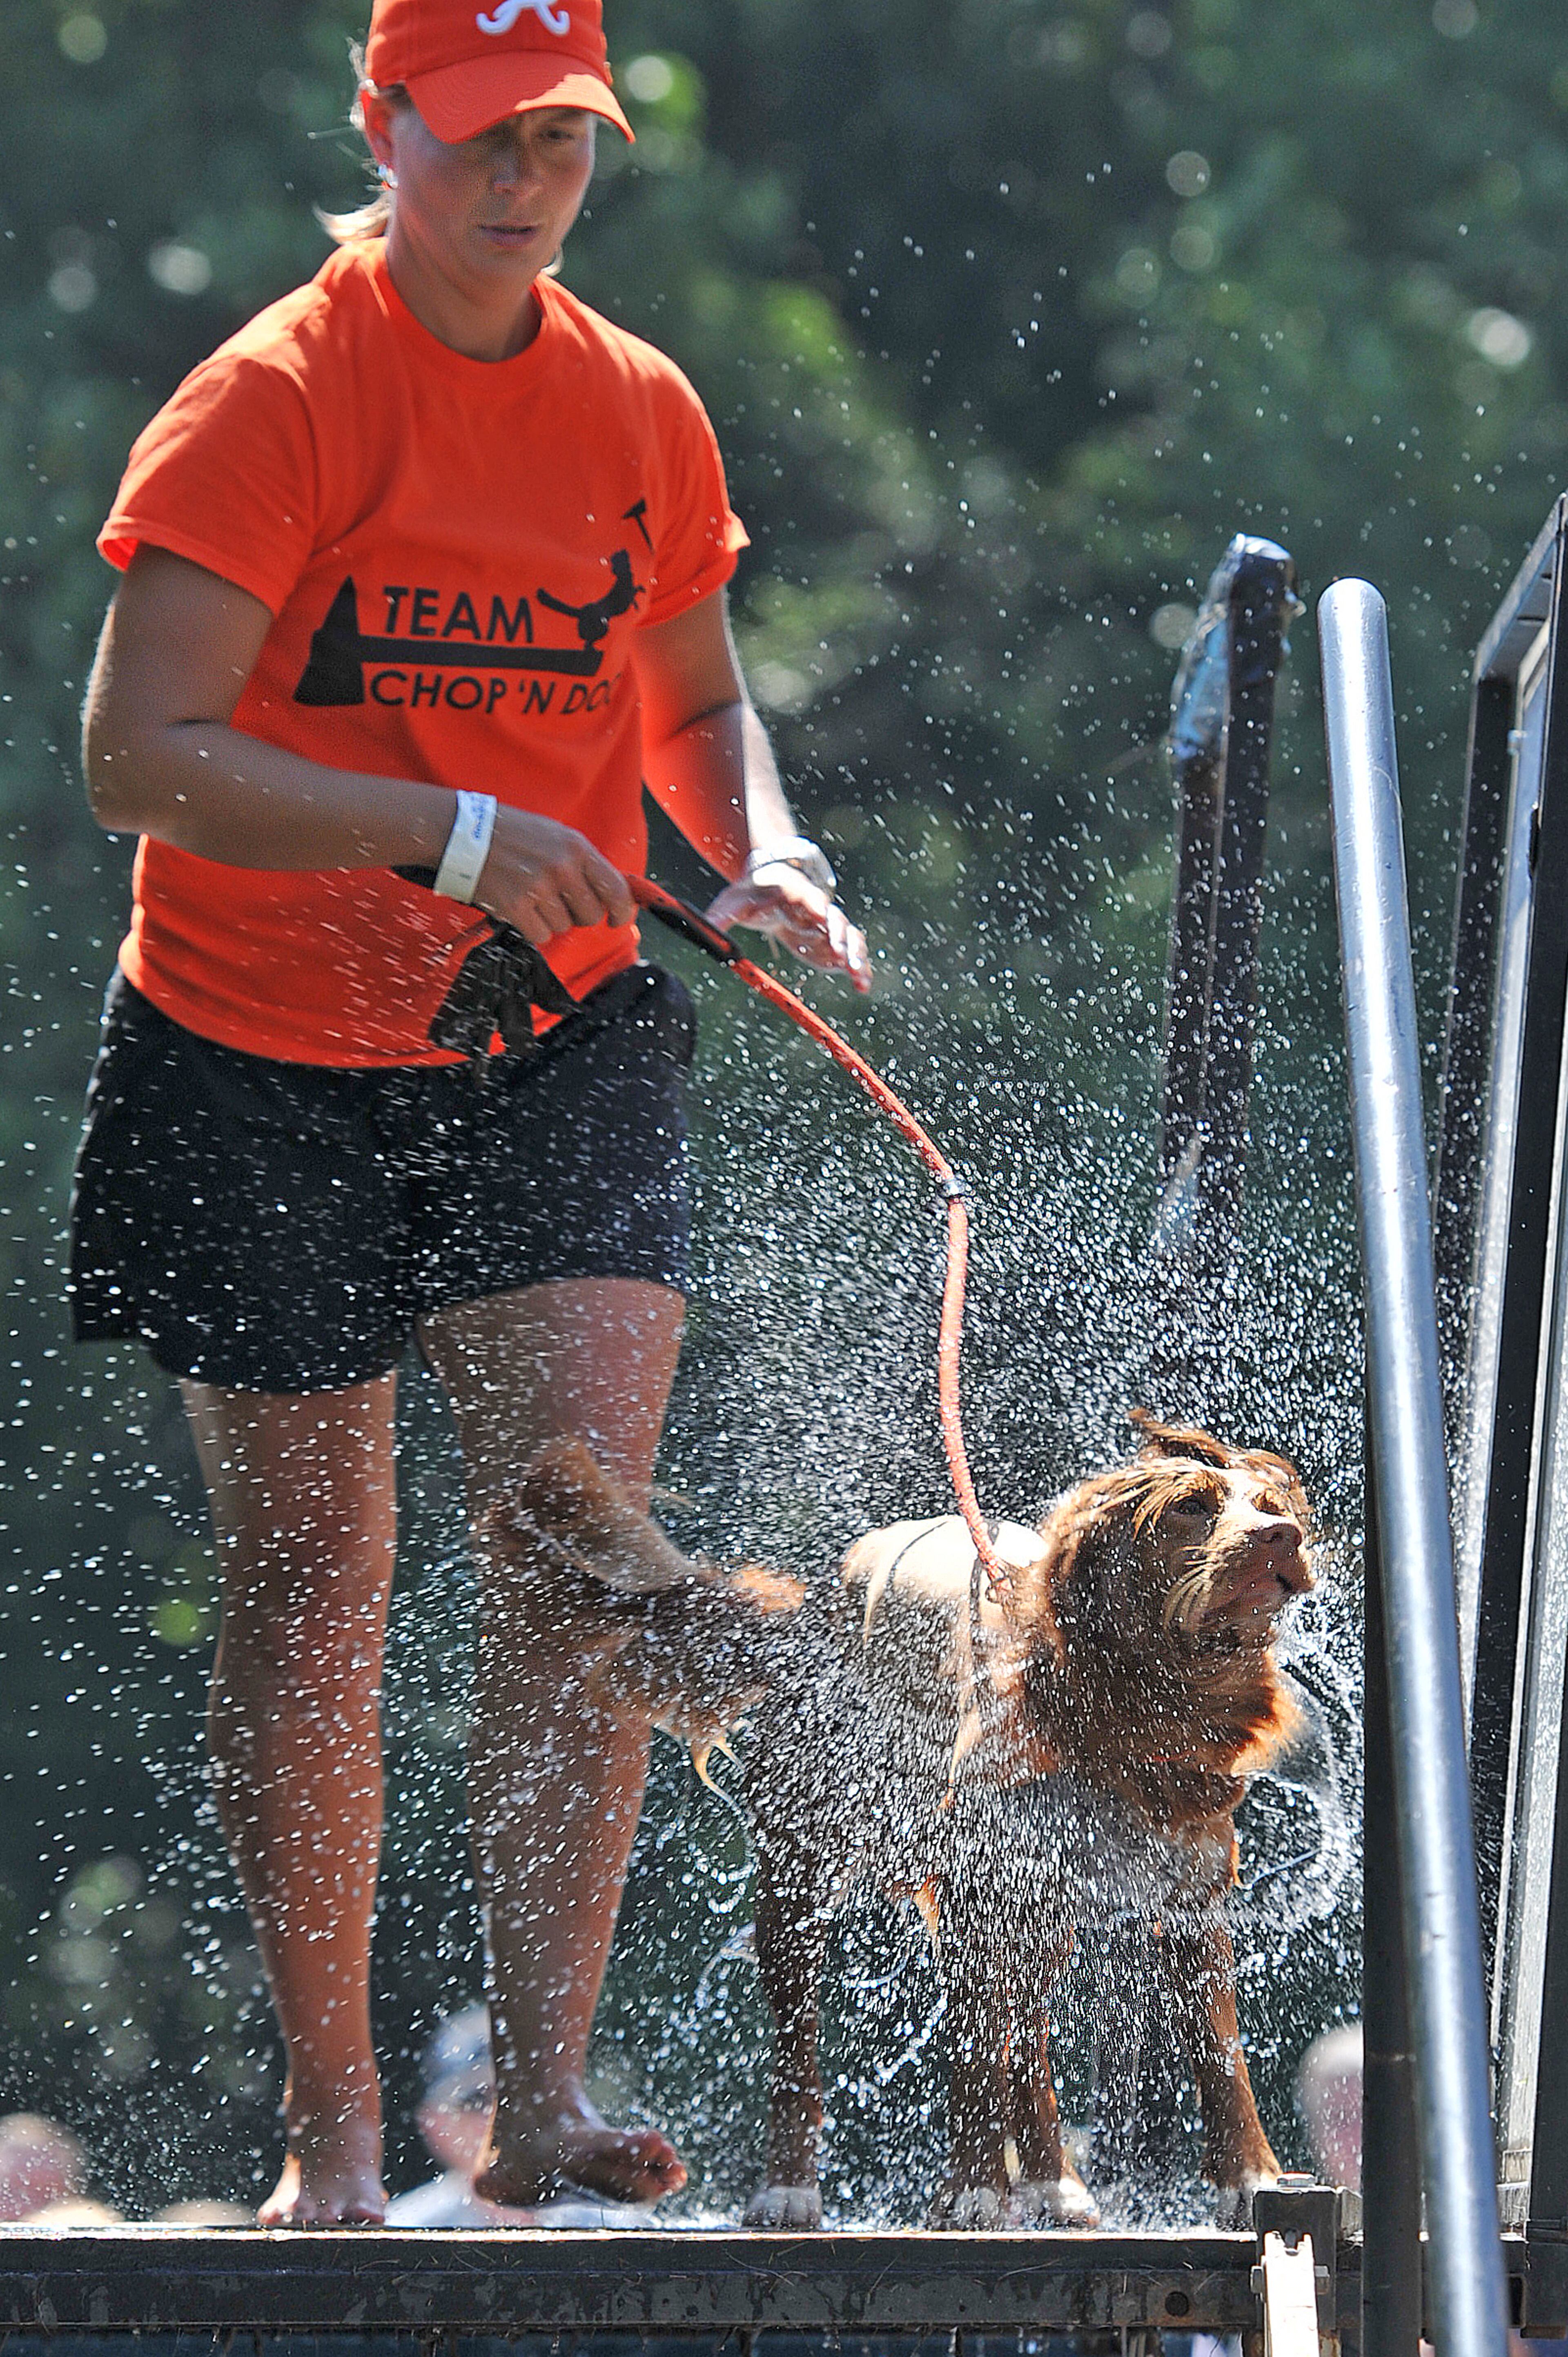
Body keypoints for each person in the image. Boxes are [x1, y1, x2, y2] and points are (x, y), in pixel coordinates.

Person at [74, 0, 869, 2228]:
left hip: (558, 1028)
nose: (527, 179)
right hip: (252, 1047)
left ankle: (539, 2101)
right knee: (317, 1580)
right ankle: (331, 2130)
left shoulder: (638, 406)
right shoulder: (274, 398)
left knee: (579, 1539)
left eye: (568, 140)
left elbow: (701, 700)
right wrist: (438, 830)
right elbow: (135, 757)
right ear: (382, 126)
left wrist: (761, 848)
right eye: (484, 136)